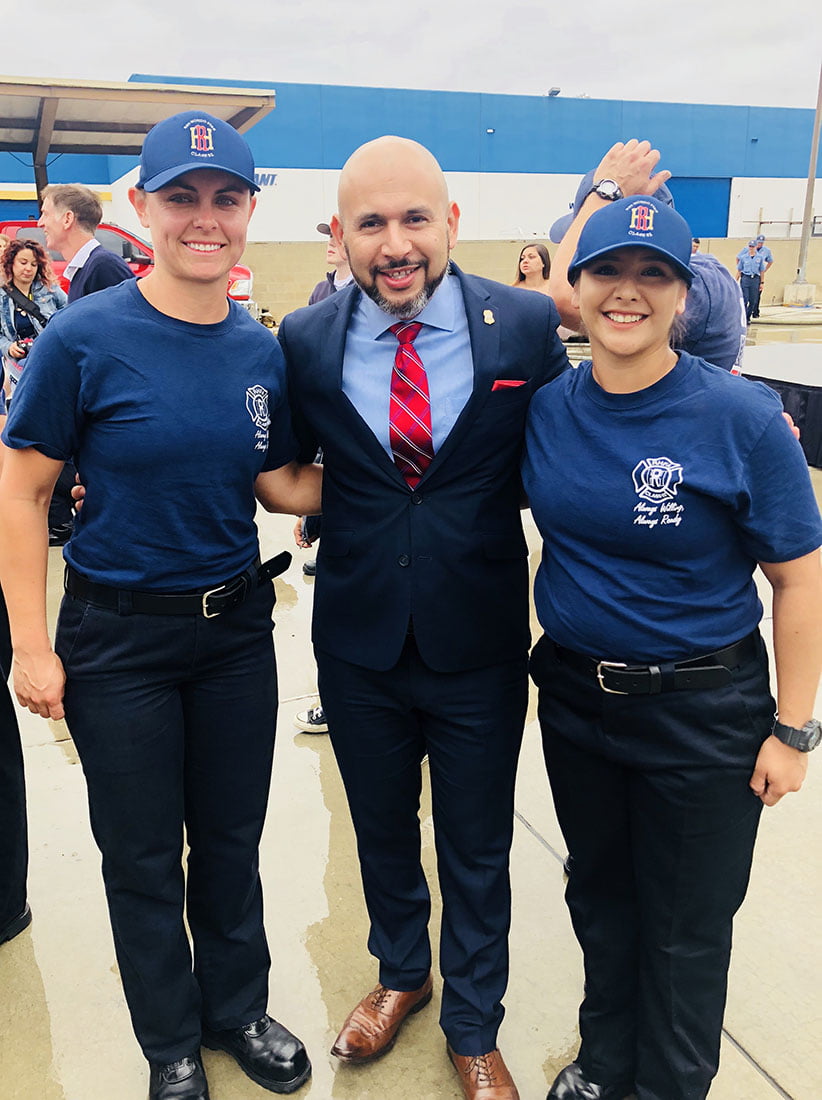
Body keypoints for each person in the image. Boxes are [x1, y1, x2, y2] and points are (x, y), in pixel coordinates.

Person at [0, 110, 323, 1100]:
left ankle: (236, 1008)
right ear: (142, 206)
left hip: (234, 636)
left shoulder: (258, 350)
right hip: (118, 639)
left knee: (229, 840)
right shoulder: (85, 337)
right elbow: (23, 490)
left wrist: (409, 478)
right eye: (182, 197)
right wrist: (29, 646)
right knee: (142, 855)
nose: (205, 217)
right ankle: (171, 1041)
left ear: (250, 210)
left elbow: (278, 482)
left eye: (226, 197)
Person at [278, 135, 568, 1100]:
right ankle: (402, 971)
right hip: (358, 638)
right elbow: (285, 469)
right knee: (380, 827)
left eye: (415, 219)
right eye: (372, 223)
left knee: (478, 844)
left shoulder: (522, 324)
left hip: (478, 638)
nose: (395, 244)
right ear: (340, 234)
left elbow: (579, 433)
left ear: (452, 222)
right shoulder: (306, 340)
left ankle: (474, 1025)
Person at [523, 195, 822, 1100]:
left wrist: (793, 730)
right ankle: (605, 1061)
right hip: (578, 704)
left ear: (684, 295)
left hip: (703, 715)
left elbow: (800, 581)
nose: (628, 291)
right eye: (609, 270)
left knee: (685, 928)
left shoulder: (742, 418)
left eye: (654, 274)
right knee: (599, 898)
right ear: (577, 287)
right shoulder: (547, 409)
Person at [548, 149, 747, 374]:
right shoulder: (710, 271)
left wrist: (604, 193)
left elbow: (564, 298)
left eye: (651, 272)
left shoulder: (703, 282)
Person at [37, 183, 134, 302]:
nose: (40, 223)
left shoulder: (103, 266)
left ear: (67, 219)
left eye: (45, 214)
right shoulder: (88, 268)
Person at [0, 237, 67, 394]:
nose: (28, 268)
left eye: (34, 264)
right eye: (23, 263)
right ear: (11, 263)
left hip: (52, 358)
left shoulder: (50, 289)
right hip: (21, 366)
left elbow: (70, 313)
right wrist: (9, 347)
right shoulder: (2, 296)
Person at [308, 221, 354, 304]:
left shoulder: (367, 289)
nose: (331, 243)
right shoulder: (320, 291)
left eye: (339, 237)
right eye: (331, 236)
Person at [737, 234, 773, 319]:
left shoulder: (763, 253)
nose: (751, 248)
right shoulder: (745, 254)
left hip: (756, 277)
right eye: (750, 246)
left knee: (754, 299)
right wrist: (739, 274)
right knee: (745, 298)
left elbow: (768, 263)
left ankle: (752, 313)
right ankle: (744, 317)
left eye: (761, 243)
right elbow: (738, 263)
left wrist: (763, 278)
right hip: (746, 277)